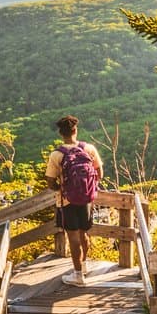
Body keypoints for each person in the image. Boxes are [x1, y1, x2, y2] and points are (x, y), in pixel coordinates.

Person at [45, 115, 104, 284]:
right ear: (75, 130)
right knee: (83, 233)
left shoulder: (57, 154)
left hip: (67, 201)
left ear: (60, 133)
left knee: (72, 237)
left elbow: (50, 181)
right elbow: (99, 174)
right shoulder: (89, 149)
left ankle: (78, 275)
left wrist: (61, 189)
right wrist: (87, 188)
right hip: (86, 199)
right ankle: (83, 266)